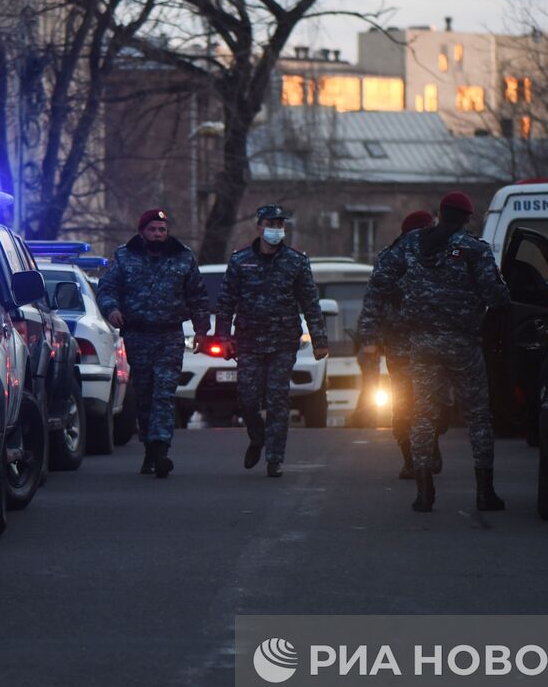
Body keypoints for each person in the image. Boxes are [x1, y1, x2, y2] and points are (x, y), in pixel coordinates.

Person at [362, 192, 510, 513]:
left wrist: (407, 300)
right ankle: (485, 493)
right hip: (463, 344)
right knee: (478, 417)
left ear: (440, 213)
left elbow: (380, 278)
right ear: (466, 218)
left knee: (422, 416)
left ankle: (424, 493)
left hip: (422, 344)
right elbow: (496, 297)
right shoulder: (474, 249)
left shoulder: (410, 244)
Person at [214, 204, 329, 477]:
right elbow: (226, 301)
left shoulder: (296, 261)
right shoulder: (240, 261)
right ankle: (257, 437)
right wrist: (223, 337)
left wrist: (319, 340)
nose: (276, 229)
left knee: (278, 399)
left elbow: (310, 302)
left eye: (280, 225)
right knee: (248, 399)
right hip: (249, 341)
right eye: (271, 224)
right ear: (259, 226)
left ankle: (275, 458)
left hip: (282, 341)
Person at [97, 208, 209, 478]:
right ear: (142, 232)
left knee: (164, 392)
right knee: (145, 394)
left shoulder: (183, 257)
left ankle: (161, 451)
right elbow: (107, 288)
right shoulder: (125, 257)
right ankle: (149, 446)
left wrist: (202, 330)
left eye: (162, 229)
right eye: (152, 230)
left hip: (170, 335)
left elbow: (197, 295)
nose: (158, 234)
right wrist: (111, 309)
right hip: (137, 335)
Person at [357, 209, 444, 479]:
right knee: (409, 402)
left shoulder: (440, 255)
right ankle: (412, 456)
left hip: (430, 342)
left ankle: (425, 448)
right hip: (406, 345)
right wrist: (369, 339)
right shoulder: (393, 258)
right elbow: (374, 299)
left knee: (426, 402)